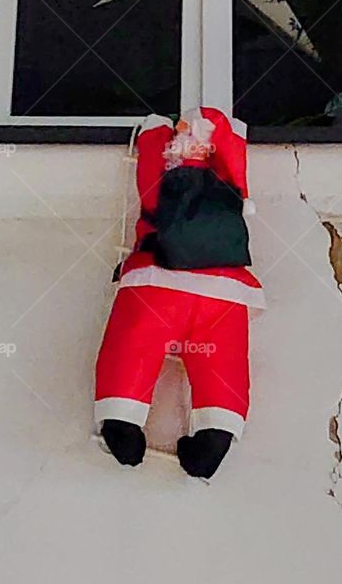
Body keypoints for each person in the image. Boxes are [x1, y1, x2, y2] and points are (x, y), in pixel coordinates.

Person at [94, 108, 264, 478]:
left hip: (155, 280)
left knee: (134, 345)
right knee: (224, 361)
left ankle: (121, 422)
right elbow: (236, 159)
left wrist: (155, 129)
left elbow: (148, 169)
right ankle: (215, 434)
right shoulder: (227, 184)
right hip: (225, 290)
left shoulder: (166, 169)